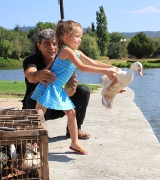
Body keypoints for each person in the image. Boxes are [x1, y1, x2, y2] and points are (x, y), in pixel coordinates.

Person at [29, 20, 116, 155]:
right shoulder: (66, 51)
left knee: (71, 113)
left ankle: (74, 143)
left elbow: (92, 62)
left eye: (80, 37)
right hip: (49, 87)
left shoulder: (76, 52)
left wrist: (110, 67)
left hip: (58, 89)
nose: (79, 39)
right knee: (39, 117)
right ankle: (32, 144)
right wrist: (105, 72)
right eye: (77, 36)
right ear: (65, 36)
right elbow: (82, 67)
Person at [22, 29, 91, 140]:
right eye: (47, 44)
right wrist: (40, 75)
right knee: (33, 96)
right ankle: (37, 130)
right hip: (36, 105)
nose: (52, 47)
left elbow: (67, 88)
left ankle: (74, 129)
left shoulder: (65, 60)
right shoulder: (31, 59)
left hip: (56, 106)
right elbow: (30, 76)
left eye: (55, 44)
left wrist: (68, 87)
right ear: (39, 46)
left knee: (83, 91)